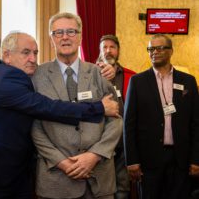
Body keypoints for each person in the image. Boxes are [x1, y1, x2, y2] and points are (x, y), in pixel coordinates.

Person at [0, 31, 120, 199]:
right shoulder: (6, 82)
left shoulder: (17, 75)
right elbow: (49, 108)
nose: (33, 58)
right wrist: (99, 108)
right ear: (7, 56)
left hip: (14, 172)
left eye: (35, 53)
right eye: (26, 52)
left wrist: (109, 71)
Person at [31, 12, 122, 199]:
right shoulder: (37, 76)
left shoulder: (99, 73)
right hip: (55, 180)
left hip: (99, 179)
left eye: (71, 31)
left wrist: (94, 155)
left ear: (80, 36)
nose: (65, 37)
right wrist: (62, 162)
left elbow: (115, 120)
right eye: (58, 33)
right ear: (51, 39)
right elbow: (34, 125)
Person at [124, 34, 199, 199]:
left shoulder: (188, 81)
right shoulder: (137, 81)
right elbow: (129, 125)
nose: (154, 52)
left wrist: (196, 159)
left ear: (171, 51)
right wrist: (132, 161)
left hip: (181, 160)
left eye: (159, 48)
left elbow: (196, 124)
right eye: (150, 49)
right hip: (149, 161)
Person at [97, 35, 136, 199]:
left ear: (118, 51)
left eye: (112, 47)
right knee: (101, 189)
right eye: (104, 47)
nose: (108, 51)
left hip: (123, 142)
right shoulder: (89, 75)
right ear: (99, 51)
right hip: (99, 142)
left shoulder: (131, 76)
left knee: (122, 188)